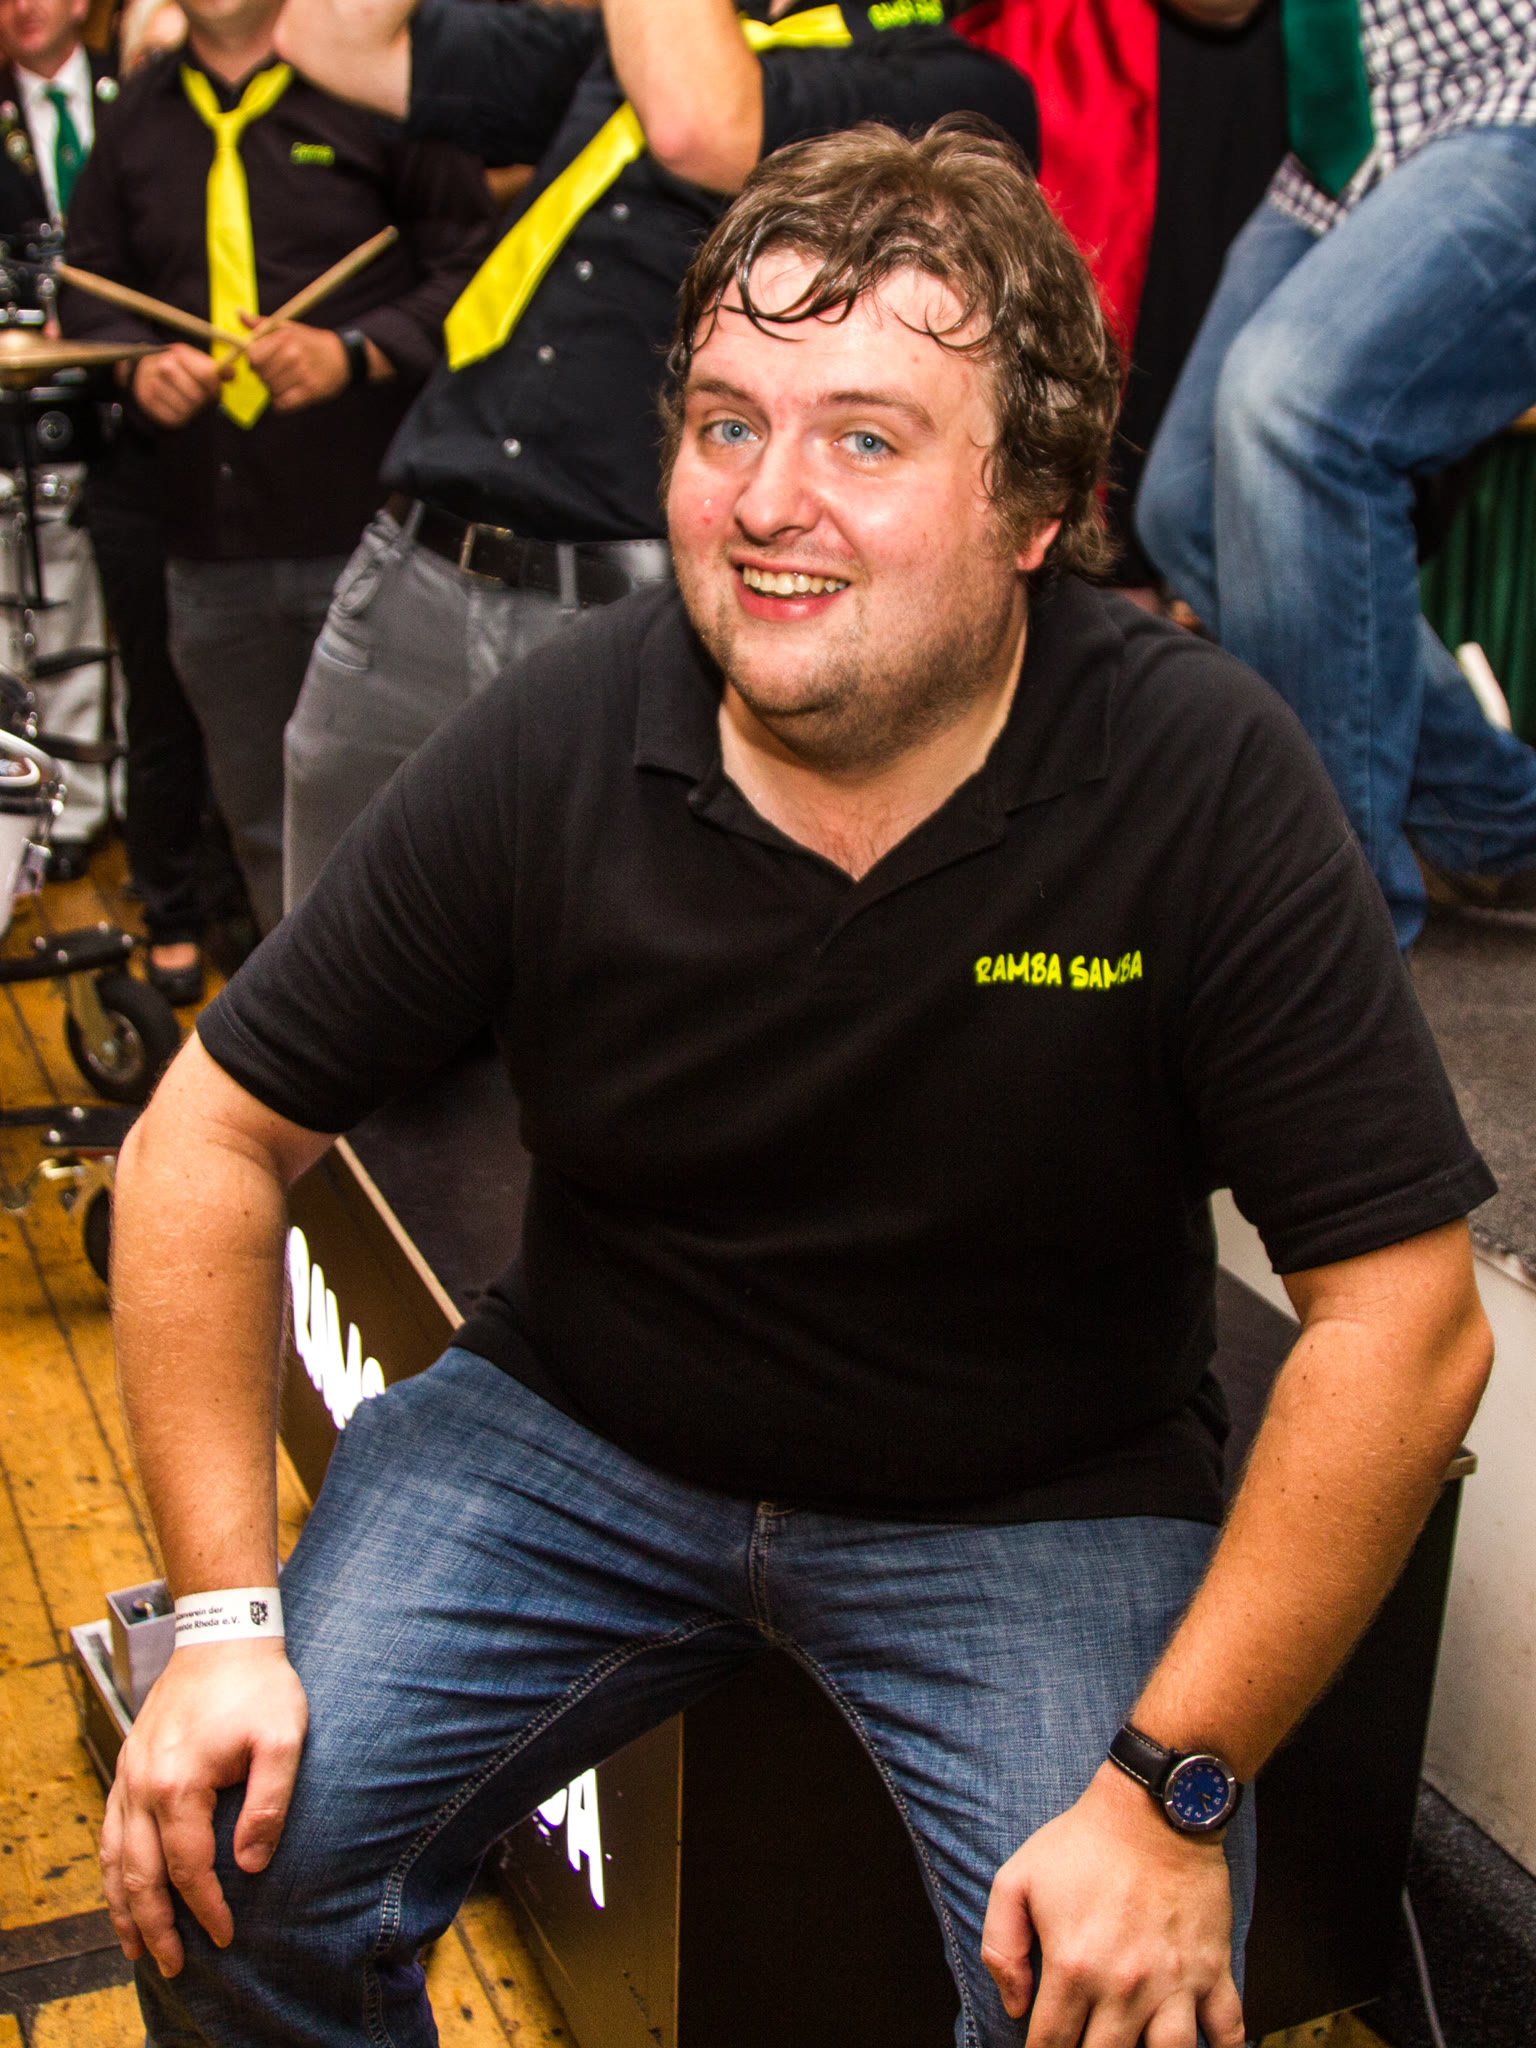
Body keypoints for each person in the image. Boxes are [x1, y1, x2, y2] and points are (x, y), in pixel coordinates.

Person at [103, 122, 1494, 2048]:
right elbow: (206, 1131)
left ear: (1035, 507)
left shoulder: (1197, 778)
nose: (768, 501)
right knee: (228, 1857)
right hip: (573, 1434)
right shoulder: (567, 728)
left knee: (1108, 2010)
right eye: (728, 423)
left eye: (864, 438)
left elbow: (1408, 1323)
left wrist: (1171, 1788)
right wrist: (218, 1625)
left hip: (1035, 1505)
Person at [272, 0, 1038, 908]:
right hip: (415, 573)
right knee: (326, 961)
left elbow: (694, 124)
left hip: (634, 622)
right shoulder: (618, 47)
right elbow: (327, 36)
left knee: (593, 980)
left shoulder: (953, 87)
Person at [57, 0, 492, 932]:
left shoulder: (375, 88)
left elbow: (476, 269)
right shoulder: (136, 114)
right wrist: (137, 365)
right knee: (264, 832)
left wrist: (354, 351)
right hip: (208, 551)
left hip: (380, 548)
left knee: (416, 837)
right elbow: (86, 282)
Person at [1135, 0, 1536, 949]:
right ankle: (1495, 820)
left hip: (1511, 92)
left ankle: (1327, 937)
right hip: (1348, 157)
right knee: (1186, 503)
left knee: (1295, 405)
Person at [0, 0, 120, 871]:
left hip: (129, 407)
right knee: (26, 613)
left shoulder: (132, 98)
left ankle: (102, 802)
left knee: (110, 619)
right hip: (22, 410)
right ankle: (39, 818)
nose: (26, 6)